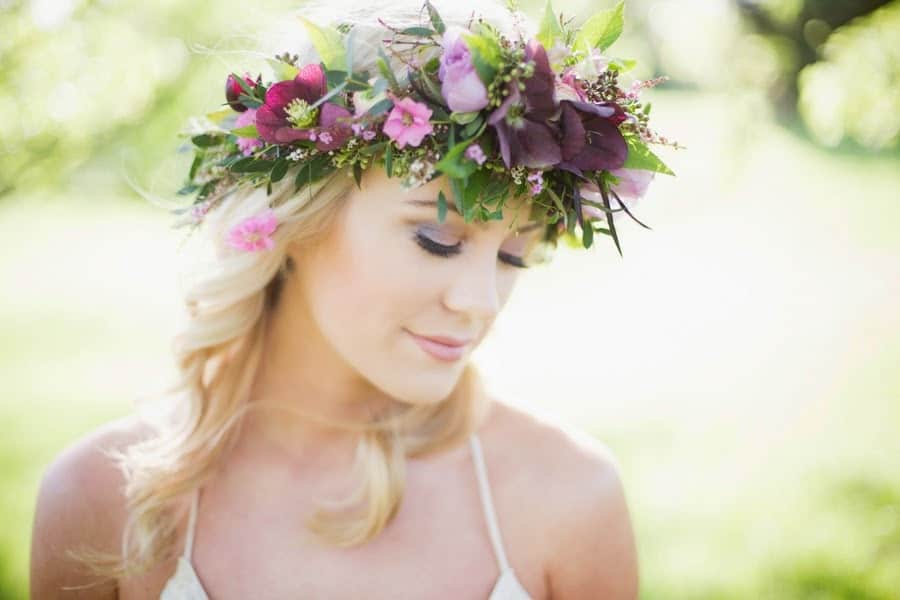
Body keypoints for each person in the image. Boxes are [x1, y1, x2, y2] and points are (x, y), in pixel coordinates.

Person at [30, 0, 662, 596]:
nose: (482, 303)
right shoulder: (98, 502)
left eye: (514, 255)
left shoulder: (569, 500)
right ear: (298, 221)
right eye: (437, 238)